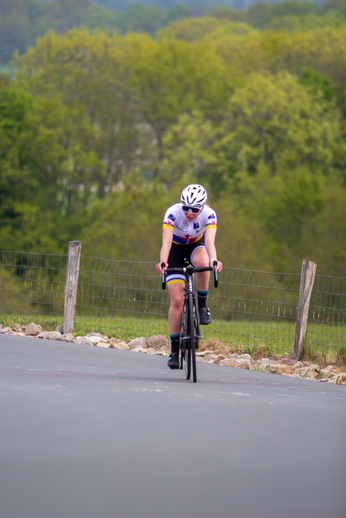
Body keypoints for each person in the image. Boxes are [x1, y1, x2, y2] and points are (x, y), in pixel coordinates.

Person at [156, 184, 223, 369]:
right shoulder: (173, 213)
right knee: (177, 302)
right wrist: (163, 261)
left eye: (195, 209)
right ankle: (174, 350)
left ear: (202, 207)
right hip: (175, 251)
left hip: (195, 246)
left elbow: (209, 241)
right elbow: (166, 242)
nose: (190, 213)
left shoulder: (209, 214)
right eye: (186, 208)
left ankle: (202, 306)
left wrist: (214, 260)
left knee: (203, 263)